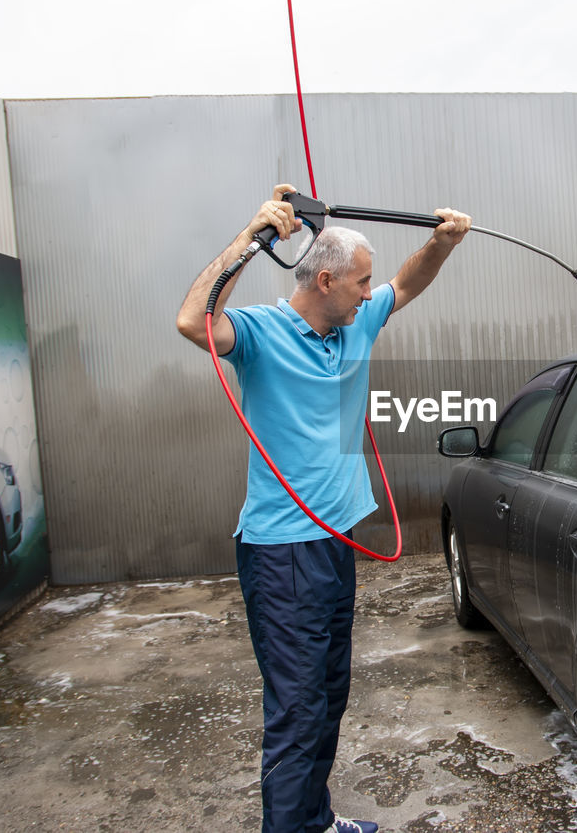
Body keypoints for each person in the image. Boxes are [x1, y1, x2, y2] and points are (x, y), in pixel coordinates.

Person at [176, 183, 471, 833]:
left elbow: (407, 284)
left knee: (327, 698)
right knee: (297, 712)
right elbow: (191, 318)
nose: (371, 294)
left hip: (335, 542)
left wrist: (441, 244)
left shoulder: (355, 320)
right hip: (281, 554)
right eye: (360, 283)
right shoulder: (258, 332)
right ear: (327, 278)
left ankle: (314, 820)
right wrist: (252, 238)